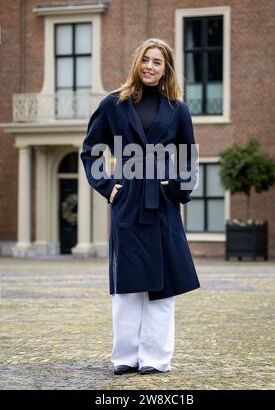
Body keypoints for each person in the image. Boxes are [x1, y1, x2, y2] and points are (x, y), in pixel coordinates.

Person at [81, 38, 200, 376]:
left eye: (157, 62)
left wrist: (177, 187)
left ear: (167, 69)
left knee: (162, 287)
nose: (150, 66)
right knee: (127, 282)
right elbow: (90, 150)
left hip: (162, 203)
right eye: (146, 59)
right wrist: (107, 185)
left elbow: (189, 157)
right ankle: (125, 356)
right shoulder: (112, 105)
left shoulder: (179, 110)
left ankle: (155, 358)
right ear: (137, 62)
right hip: (128, 202)